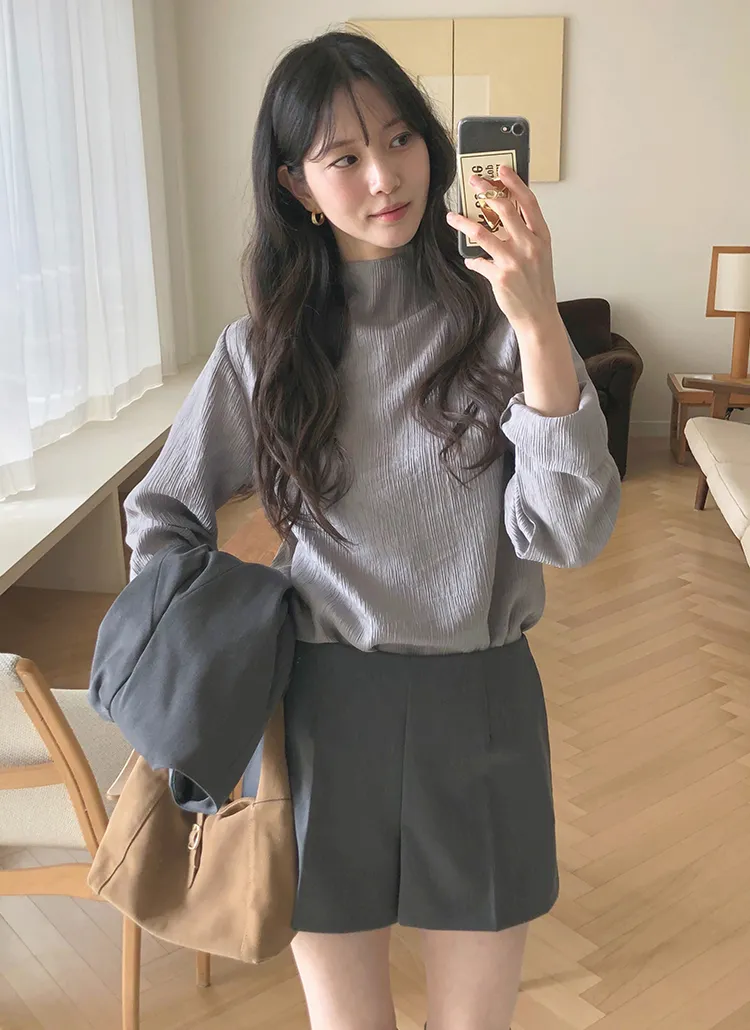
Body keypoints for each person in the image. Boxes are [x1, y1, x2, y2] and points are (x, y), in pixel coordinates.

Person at [123, 29, 620, 1030]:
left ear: (434, 145)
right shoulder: (262, 350)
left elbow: (569, 533)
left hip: (480, 703)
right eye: (343, 156)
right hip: (319, 708)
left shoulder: (502, 325)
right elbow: (162, 513)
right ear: (297, 185)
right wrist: (212, 638)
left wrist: (536, 321)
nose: (385, 177)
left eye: (399, 140)